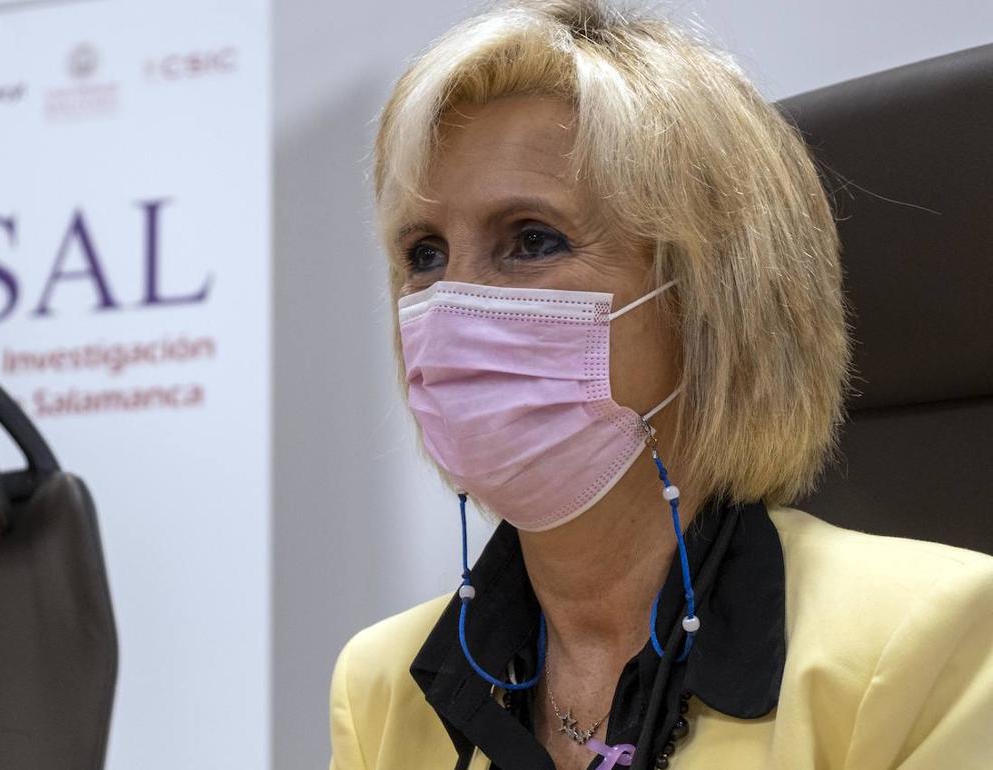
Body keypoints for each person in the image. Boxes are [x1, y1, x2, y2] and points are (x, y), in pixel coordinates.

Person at [327, 1, 993, 768]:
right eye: (424, 254)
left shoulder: (925, 644)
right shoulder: (381, 686)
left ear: (708, 296)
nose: (454, 304)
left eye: (532, 240)